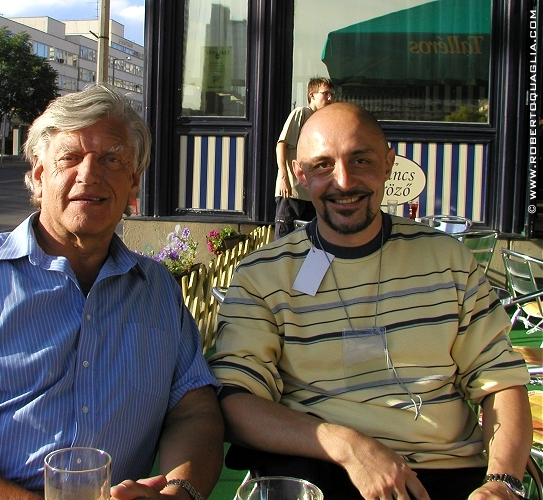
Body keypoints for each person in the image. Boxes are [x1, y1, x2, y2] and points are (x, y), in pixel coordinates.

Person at [0, 85, 224, 500]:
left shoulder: (158, 289)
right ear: (39, 177)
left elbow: (195, 411)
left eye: (112, 159)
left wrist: (179, 491)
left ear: (133, 184)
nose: (89, 174)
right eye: (69, 158)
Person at [209, 102, 532, 500]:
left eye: (360, 160)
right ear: (300, 175)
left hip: (447, 475)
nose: (344, 181)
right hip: (323, 470)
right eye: (323, 165)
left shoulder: (448, 260)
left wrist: (503, 482)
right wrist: (348, 446)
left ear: (388, 164)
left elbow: (501, 381)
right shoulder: (264, 275)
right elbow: (234, 401)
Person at [274, 77, 334, 239]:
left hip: (312, 194)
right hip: (292, 193)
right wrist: (284, 177)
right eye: (326, 93)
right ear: (312, 95)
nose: (330, 98)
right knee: (286, 242)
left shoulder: (323, 121)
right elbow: (281, 145)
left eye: (332, 95)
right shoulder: (301, 113)